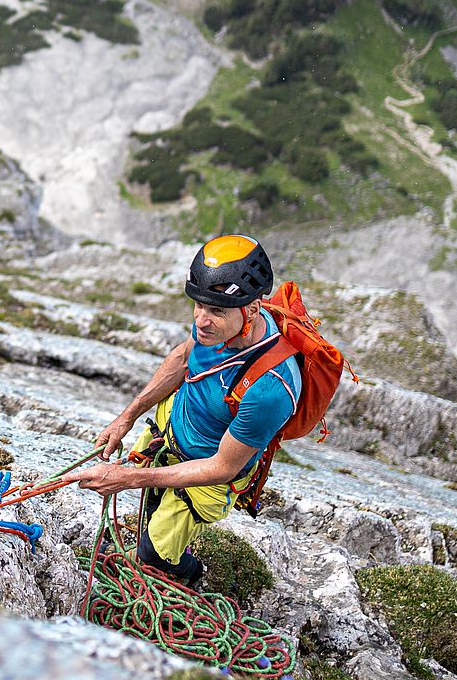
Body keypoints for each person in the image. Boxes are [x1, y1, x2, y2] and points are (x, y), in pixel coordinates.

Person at [70, 235, 302, 587]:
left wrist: (127, 479)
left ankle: (189, 576)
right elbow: (182, 360)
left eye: (215, 311)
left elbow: (222, 467)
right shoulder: (219, 322)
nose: (202, 320)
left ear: (252, 310)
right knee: (150, 508)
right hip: (167, 433)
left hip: (206, 474)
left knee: (156, 554)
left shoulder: (270, 388)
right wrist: (127, 417)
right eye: (198, 306)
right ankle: (150, 541)